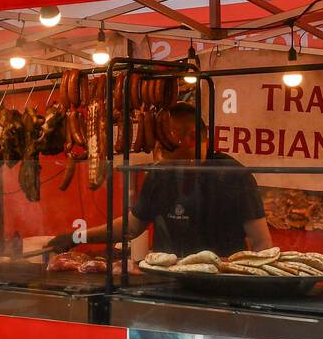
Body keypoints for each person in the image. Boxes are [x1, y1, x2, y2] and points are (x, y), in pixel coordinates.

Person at [47, 102, 272, 257]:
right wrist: (77, 236)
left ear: (191, 136)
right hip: (167, 284)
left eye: (163, 139)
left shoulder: (232, 174)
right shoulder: (161, 174)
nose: (156, 148)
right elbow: (132, 226)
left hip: (219, 287)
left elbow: (261, 241)